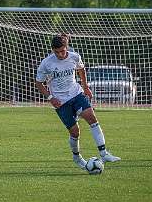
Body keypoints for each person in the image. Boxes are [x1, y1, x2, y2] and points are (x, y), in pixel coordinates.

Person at [35, 34, 120, 170]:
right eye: (56, 52)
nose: (60, 54)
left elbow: (81, 69)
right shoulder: (46, 63)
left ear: (66, 47)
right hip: (61, 102)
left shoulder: (74, 56)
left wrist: (86, 87)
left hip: (76, 93)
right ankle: (77, 157)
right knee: (75, 132)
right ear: (52, 50)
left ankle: (104, 153)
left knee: (92, 118)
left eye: (62, 51)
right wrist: (50, 98)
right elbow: (39, 83)